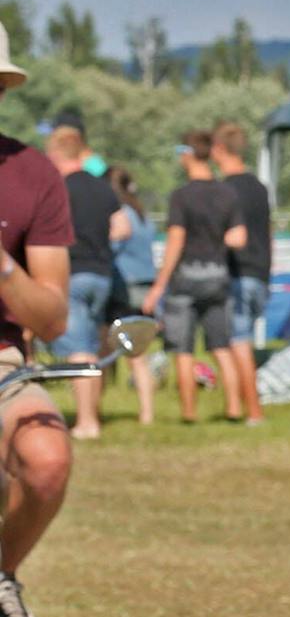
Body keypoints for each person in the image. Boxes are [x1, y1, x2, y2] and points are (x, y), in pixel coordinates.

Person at [0, 25, 75, 617]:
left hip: (2, 363)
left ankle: (0, 572)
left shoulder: (31, 173)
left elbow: (52, 319)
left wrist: (2, 266)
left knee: (48, 458)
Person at [143, 131, 246, 425]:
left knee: (183, 349)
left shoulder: (181, 196)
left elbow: (176, 239)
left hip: (185, 279)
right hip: (218, 276)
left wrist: (159, 284)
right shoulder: (228, 194)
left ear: (187, 154)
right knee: (221, 346)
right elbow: (239, 236)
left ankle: (189, 413)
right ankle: (234, 408)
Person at [47, 127, 128, 440]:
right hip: (102, 274)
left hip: (74, 272)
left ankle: (86, 422)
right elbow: (122, 228)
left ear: (54, 155)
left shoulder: (57, 189)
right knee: (92, 347)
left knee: (78, 350)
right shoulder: (102, 188)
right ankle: (93, 412)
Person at [210, 121, 270, 427]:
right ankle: (240, 406)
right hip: (261, 273)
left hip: (238, 273)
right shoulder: (258, 187)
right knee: (240, 339)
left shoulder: (225, 190)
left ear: (219, 149)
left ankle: (254, 411)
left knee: (239, 341)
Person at [107, 166, 159, 426]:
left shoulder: (120, 215)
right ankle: (147, 412)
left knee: (122, 351)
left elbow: (112, 246)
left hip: (124, 287)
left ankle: (94, 406)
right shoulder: (143, 214)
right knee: (139, 353)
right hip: (147, 285)